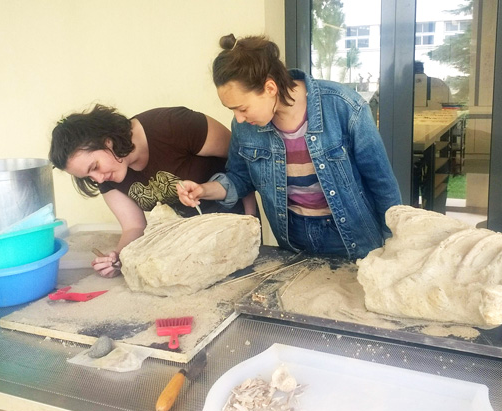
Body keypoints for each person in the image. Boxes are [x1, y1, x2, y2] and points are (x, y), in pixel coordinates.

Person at [177, 34, 402, 260]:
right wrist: (203, 190)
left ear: (270, 88)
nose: (239, 118)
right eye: (232, 111)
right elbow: (240, 179)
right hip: (292, 237)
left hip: (352, 236)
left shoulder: (344, 106)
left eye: (242, 108)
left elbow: (381, 181)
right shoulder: (244, 127)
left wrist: (396, 242)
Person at [49, 104, 257, 277]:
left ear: (107, 141)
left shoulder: (174, 125)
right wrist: (118, 257)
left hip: (235, 232)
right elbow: (134, 226)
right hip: (190, 248)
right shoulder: (106, 176)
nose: (98, 178)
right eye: (88, 177)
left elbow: (244, 163)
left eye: (94, 167)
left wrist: (251, 226)